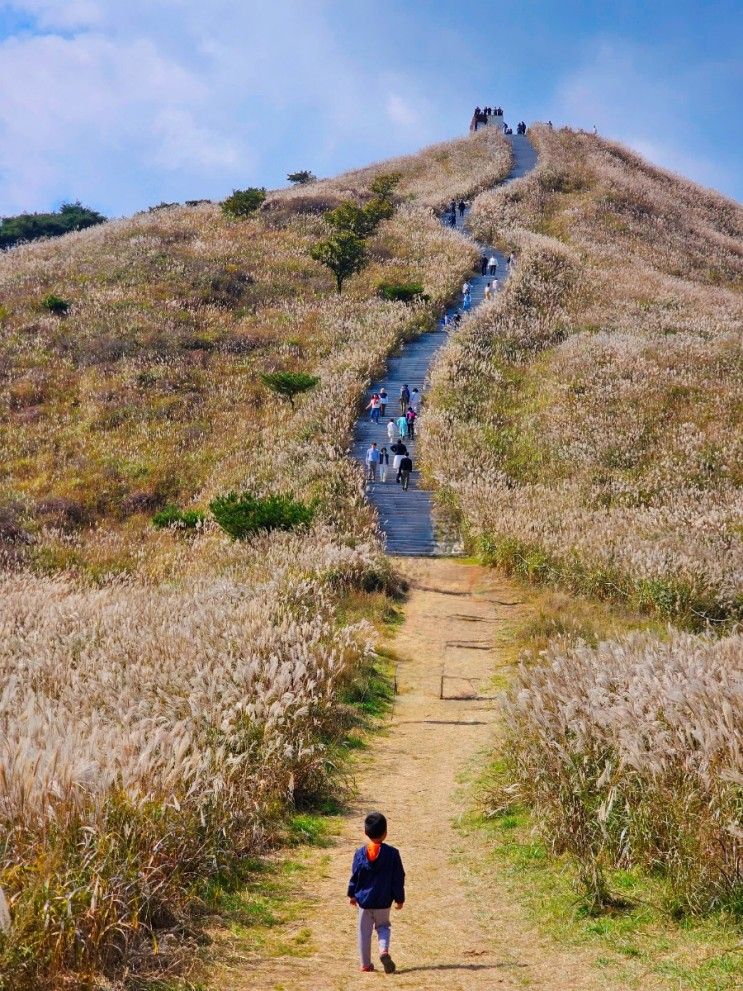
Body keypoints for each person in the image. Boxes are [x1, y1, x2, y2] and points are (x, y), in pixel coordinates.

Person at [348, 811, 405, 974]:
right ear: (385, 833)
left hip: (364, 902)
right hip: (383, 901)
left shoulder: (360, 853)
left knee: (363, 932)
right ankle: (383, 951)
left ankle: (365, 964)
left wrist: (352, 894)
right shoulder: (393, 854)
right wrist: (399, 898)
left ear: (366, 832)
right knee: (383, 927)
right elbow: (398, 877)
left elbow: (355, 875)